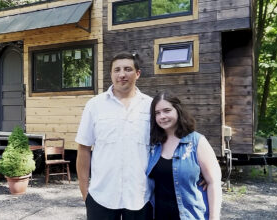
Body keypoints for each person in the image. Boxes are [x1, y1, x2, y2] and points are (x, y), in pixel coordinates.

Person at [75, 52, 153, 220]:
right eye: (116, 70)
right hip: (101, 196)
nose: (122, 74)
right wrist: (85, 192)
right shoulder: (94, 105)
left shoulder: (151, 106)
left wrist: (202, 169)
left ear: (137, 73)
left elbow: (168, 143)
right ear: (111, 74)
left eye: (128, 69)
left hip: (140, 197)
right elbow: (83, 148)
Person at [146, 90, 222, 220]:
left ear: (178, 110)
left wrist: (214, 218)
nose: (162, 116)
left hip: (190, 215)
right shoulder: (153, 144)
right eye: (157, 113)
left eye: (167, 110)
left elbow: (213, 182)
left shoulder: (197, 142)